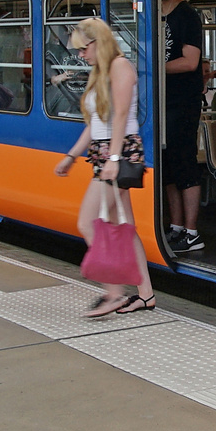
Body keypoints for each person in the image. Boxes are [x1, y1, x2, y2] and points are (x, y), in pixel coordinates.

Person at [55, 18, 156, 316]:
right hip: (105, 152)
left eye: (83, 48)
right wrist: (71, 156)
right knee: (123, 228)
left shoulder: (120, 67)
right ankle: (146, 295)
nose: (81, 55)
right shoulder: (100, 72)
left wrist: (113, 160)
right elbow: (94, 124)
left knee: (88, 222)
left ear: (99, 42)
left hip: (120, 152)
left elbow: (122, 116)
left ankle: (113, 293)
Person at [157, 0, 205, 253]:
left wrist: (155, 69)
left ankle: (192, 232)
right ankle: (175, 226)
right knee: (168, 167)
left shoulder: (187, 16)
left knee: (185, 163)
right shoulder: (153, 14)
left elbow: (190, 61)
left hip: (183, 102)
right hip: (162, 102)